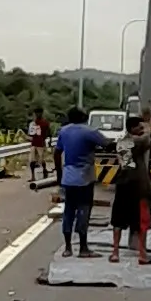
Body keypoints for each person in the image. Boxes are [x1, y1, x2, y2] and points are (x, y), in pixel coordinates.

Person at [54, 105, 112, 256]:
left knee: (68, 211)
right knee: (83, 210)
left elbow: (57, 152)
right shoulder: (89, 131)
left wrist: (59, 175)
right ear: (82, 117)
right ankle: (83, 248)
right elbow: (107, 144)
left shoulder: (64, 131)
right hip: (85, 176)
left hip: (68, 176)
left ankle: (67, 247)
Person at [109, 118, 151, 267]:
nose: (141, 130)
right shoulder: (136, 142)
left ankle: (115, 252)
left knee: (118, 219)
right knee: (142, 221)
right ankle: (142, 254)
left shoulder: (121, 142)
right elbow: (147, 140)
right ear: (132, 128)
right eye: (139, 127)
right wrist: (148, 127)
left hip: (123, 184)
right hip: (137, 186)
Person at [27, 104, 52, 191]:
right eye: (36, 113)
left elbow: (48, 132)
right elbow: (31, 134)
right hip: (34, 143)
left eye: (39, 113)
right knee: (32, 160)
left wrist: (48, 140)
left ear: (41, 113)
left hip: (41, 143)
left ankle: (44, 171)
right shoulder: (33, 123)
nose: (37, 114)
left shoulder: (45, 122)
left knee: (42, 160)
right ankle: (33, 176)